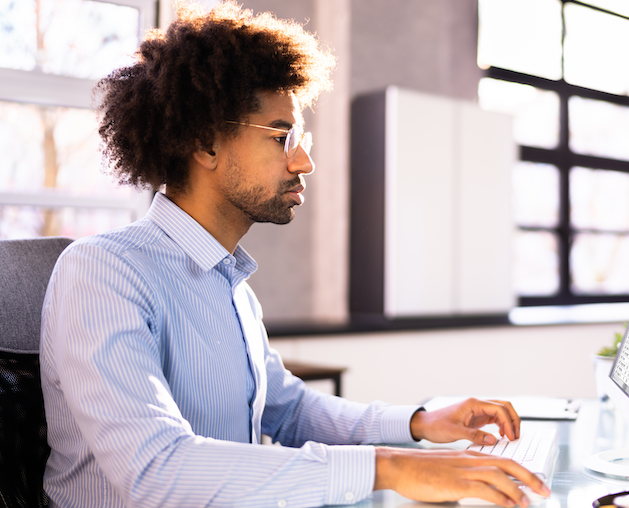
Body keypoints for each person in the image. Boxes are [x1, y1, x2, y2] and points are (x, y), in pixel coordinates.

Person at [38, 2, 550, 507]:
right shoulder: (103, 273)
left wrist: (419, 423)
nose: (304, 161)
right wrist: (390, 468)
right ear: (205, 144)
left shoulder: (230, 284)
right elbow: (156, 469)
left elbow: (289, 410)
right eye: (282, 137)